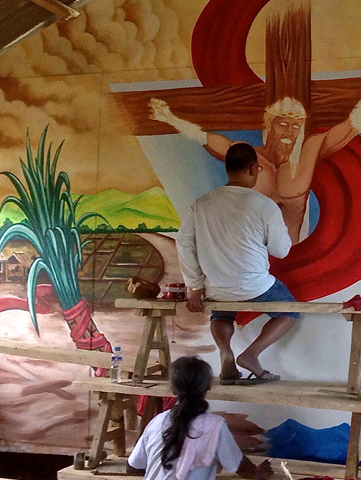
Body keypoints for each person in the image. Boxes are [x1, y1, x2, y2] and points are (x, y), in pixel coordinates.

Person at [150, 56, 361, 244]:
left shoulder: (311, 149)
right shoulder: (246, 154)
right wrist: (170, 118)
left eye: (297, 125)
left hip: (290, 252)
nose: (290, 132)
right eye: (283, 123)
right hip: (248, 252)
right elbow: (205, 138)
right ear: (268, 124)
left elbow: (354, 126)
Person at [176, 143, 300, 384]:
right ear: (254, 169)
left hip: (216, 287)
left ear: (228, 169)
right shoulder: (264, 205)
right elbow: (281, 251)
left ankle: (226, 353)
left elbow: (184, 244)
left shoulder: (201, 204)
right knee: (290, 311)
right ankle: (251, 355)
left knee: (221, 314)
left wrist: (194, 286)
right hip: (255, 286)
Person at [126, 356, 273, 480]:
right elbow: (241, 467)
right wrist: (257, 473)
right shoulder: (215, 425)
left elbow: (133, 467)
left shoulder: (158, 421)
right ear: (208, 386)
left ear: (173, 389)